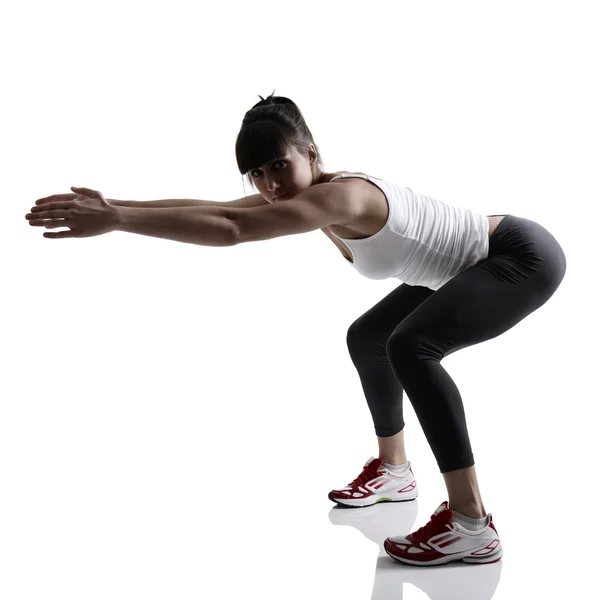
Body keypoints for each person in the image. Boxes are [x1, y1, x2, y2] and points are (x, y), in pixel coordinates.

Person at [25, 91, 567, 567]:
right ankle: (396, 472)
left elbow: (231, 228)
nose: (269, 185)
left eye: (278, 166)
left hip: (517, 256)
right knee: (368, 338)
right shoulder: (304, 195)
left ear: (311, 154)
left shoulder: (341, 196)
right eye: (257, 174)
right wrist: (114, 206)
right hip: (466, 266)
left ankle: (472, 526)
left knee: (410, 346)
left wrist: (119, 223)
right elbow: (217, 206)